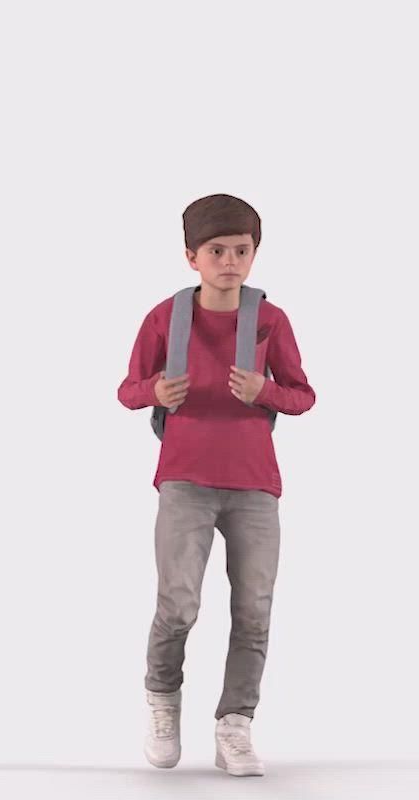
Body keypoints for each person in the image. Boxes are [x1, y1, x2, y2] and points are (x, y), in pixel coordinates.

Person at [117, 193, 316, 777]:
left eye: (241, 250)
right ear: (191, 257)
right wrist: (154, 391)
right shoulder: (165, 318)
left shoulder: (270, 320)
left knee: (254, 609)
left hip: (255, 484)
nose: (230, 261)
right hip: (185, 480)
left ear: (254, 254)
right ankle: (163, 699)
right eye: (216, 251)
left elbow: (303, 395)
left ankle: (235, 724)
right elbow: (127, 389)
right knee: (178, 603)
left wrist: (265, 391)